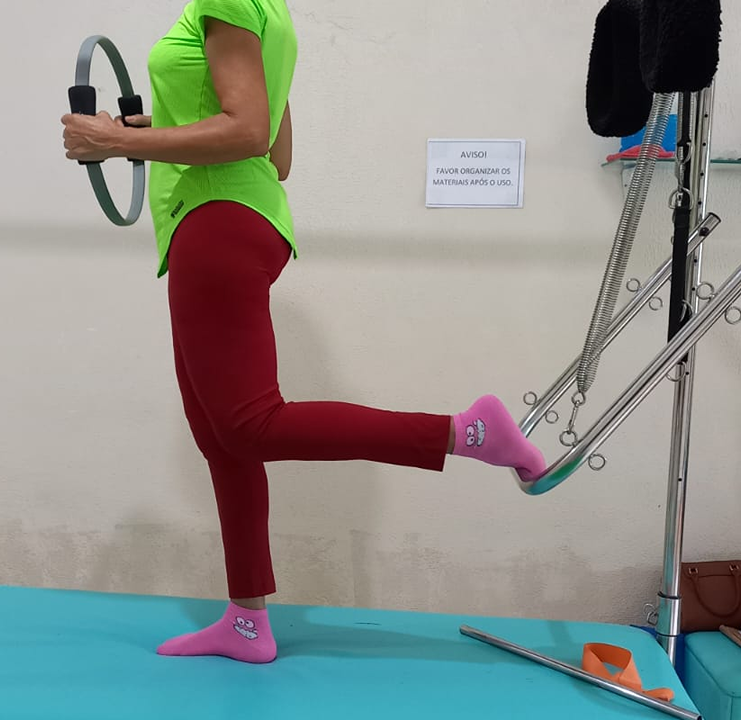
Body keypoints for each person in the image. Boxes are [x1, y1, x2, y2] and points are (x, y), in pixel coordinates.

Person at [61, 0, 547, 665]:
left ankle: (468, 433)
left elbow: (244, 131)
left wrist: (116, 143)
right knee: (221, 437)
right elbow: (277, 151)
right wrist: (142, 129)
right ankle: (246, 621)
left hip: (216, 219)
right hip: (235, 219)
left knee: (249, 424)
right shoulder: (271, 12)